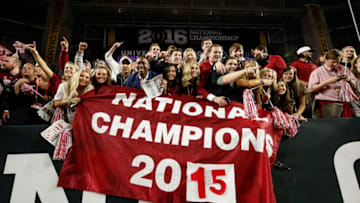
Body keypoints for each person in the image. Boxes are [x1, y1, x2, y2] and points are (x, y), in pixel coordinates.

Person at [308, 49, 357, 118]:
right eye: (333, 62)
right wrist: (327, 82)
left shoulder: (343, 69)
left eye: (338, 61)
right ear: (326, 60)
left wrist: (349, 80)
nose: (336, 64)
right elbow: (311, 89)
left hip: (346, 102)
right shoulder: (317, 72)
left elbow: (356, 85)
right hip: (328, 103)